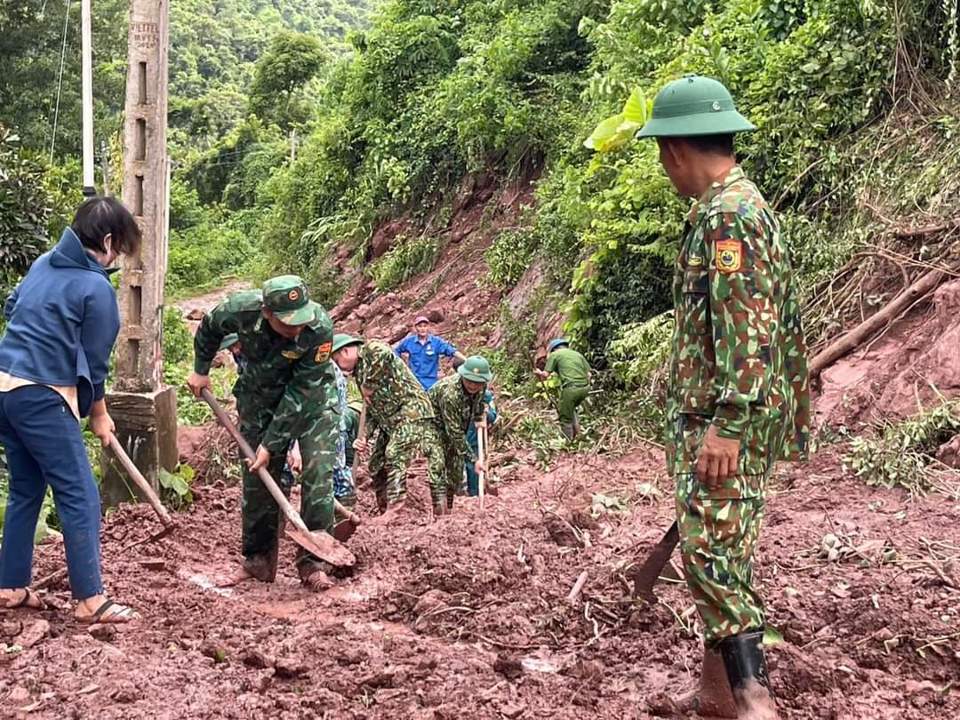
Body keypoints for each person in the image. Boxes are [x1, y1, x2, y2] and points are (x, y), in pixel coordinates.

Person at [637, 75, 810, 718]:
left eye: (662, 154)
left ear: (676, 150)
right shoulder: (726, 208)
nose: (665, 167)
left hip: (723, 419)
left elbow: (748, 326)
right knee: (715, 544)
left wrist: (730, 424)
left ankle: (752, 701)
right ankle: (715, 695)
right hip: (714, 414)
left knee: (713, 556)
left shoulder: (731, 216)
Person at [0, 196, 141, 623]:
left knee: (26, 488)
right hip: (42, 395)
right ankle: (89, 599)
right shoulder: (96, 287)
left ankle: (10, 586)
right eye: (121, 249)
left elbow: (13, 307)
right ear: (110, 240)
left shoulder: (44, 263)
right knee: (80, 492)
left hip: (5, 387)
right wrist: (99, 413)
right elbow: (94, 362)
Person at [188, 276, 340, 591]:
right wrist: (201, 370)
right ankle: (257, 560)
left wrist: (272, 443)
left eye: (301, 320)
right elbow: (209, 329)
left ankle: (313, 564)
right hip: (258, 397)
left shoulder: (319, 328)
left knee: (318, 472)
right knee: (256, 475)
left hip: (312, 401)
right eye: (288, 323)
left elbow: (300, 392)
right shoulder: (240, 310)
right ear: (267, 312)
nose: (297, 328)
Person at [330, 334, 446, 517]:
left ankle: (396, 509)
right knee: (376, 463)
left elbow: (386, 354)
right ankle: (384, 509)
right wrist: (364, 436)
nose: (338, 367)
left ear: (345, 351)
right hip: (389, 421)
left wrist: (370, 383)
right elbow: (372, 410)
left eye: (336, 361)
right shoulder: (359, 374)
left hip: (411, 411)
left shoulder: (371, 350)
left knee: (395, 453)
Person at [218, 333, 299, 489]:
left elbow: (292, 402)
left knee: (281, 470)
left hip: (282, 416)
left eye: (237, 345)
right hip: (255, 418)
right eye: (230, 348)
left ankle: (282, 496)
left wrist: (295, 446)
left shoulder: (272, 354)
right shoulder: (241, 355)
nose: (234, 351)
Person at [428, 356, 493, 511]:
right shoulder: (450, 394)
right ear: (463, 375)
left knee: (455, 471)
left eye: (477, 382)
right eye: (469, 380)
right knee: (438, 466)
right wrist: (473, 459)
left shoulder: (481, 387)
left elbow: (478, 403)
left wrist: (479, 416)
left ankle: (448, 510)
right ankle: (439, 513)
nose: (472, 385)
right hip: (433, 426)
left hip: (456, 425)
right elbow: (454, 432)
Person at [534, 338, 591, 439]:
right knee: (571, 409)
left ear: (553, 349)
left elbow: (546, 375)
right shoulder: (577, 354)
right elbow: (589, 375)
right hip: (585, 389)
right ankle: (578, 435)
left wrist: (539, 372)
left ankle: (567, 443)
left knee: (565, 417)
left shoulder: (555, 355)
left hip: (571, 389)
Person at [394, 316, 466, 390]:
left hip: (431, 383)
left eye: (425, 326)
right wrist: (400, 366)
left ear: (428, 327)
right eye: (420, 326)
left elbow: (452, 351)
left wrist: (466, 360)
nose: (422, 329)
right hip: (414, 382)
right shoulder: (409, 341)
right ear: (416, 327)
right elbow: (396, 351)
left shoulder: (436, 342)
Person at [465, 388, 497, 496]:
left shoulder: (486, 396)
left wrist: (486, 412)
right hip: (458, 439)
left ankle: (474, 493)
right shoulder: (458, 394)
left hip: (474, 440)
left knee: (474, 468)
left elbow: (493, 417)